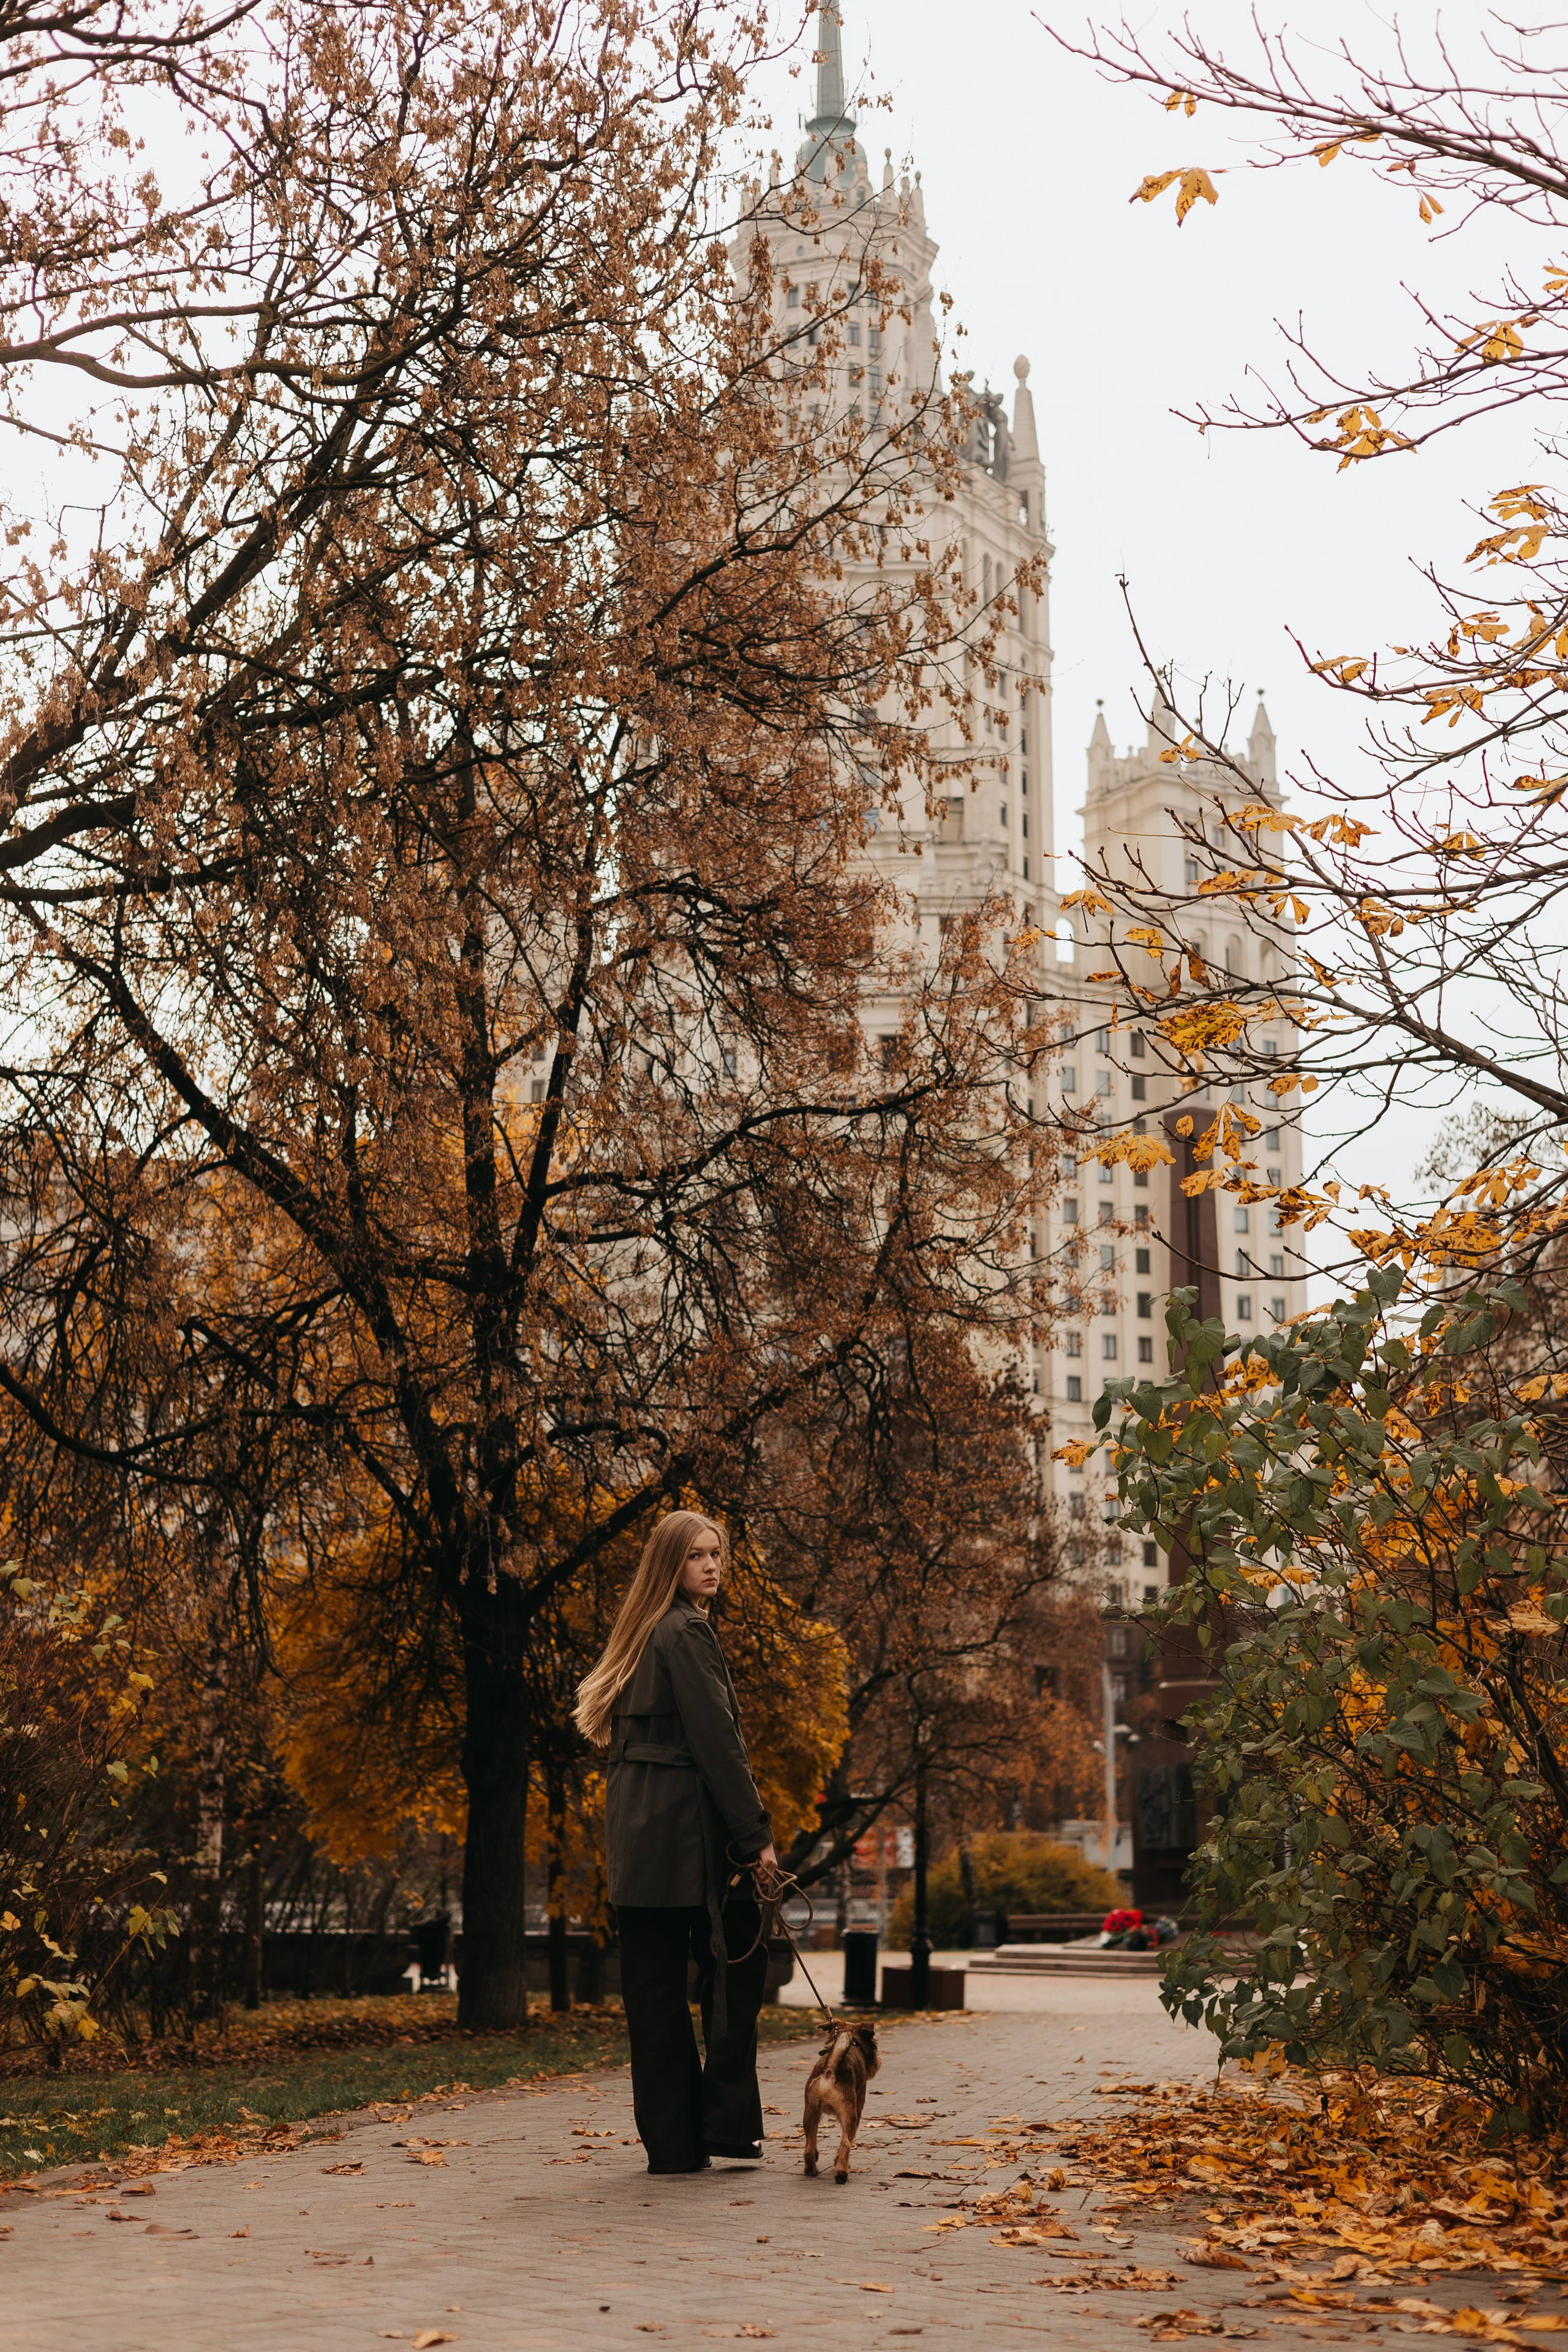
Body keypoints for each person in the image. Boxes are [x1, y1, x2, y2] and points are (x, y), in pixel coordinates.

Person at [575, 1510, 778, 2174]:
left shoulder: (639, 1634)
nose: (712, 1566)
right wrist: (756, 1838)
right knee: (739, 1967)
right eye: (697, 1556)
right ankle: (723, 2125)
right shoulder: (686, 1633)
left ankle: (674, 2145)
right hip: (689, 1845)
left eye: (717, 1554)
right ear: (671, 1565)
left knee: (653, 1998)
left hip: (637, 1848)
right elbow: (720, 1745)